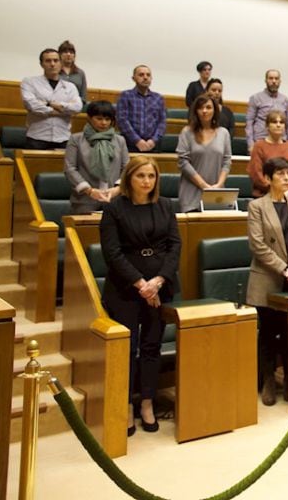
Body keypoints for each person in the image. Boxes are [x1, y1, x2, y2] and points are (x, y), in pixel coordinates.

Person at [99, 156, 180, 436]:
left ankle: (147, 402)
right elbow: (112, 253)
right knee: (128, 348)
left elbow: (174, 246)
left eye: (151, 176)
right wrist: (141, 284)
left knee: (151, 346)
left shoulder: (165, 205)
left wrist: (157, 282)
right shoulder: (114, 208)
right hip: (125, 289)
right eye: (140, 176)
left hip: (160, 285)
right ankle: (127, 406)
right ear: (128, 178)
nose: (147, 181)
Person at [246, 156, 288, 406]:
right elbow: (257, 245)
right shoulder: (257, 206)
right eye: (280, 174)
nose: (286, 178)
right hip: (269, 278)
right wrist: (284, 268)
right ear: (268, 178)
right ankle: (269, 380)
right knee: (269, 332)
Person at [65, 100, 129, 214]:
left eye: (107, 119)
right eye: (99, 118)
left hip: (114, 198)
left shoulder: (120, 140)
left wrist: (118, 189)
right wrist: (89, 191)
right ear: (89, 118)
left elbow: (126, 167)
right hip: (85, 200)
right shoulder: (76, 139)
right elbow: (70, 168)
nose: (104, 123)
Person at [176, 94, 231, 212]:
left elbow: (226, 162)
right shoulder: (187, 132)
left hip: (216, 193)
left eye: (208, 107)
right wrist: (204, 186)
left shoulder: (224, 133)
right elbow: (183, 162)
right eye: (201, 108)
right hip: (191, 194)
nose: (204, 111)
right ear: (196, 110)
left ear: (214, 110)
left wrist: (218, 185)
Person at [21, 48, 83, 149]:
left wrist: (49, 104)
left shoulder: (70, 86)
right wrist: (64, 110)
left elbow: (77, 108)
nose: (52, 64)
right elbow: (32, 106)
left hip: (63, 138)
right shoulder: (29, 82)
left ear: (61, 63)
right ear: (42, 64)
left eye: (56, 60)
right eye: (48, 61)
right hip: (37, 138)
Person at [248, 110, 288, 198]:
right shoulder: (259, 146)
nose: (278, 125)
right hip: (265, 196)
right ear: (267, 126)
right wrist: (274, 191)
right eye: (274, 122)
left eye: (281, 122)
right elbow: (256, 173)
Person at [116, 65, 166, 153]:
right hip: (130, 144)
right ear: (133, 78)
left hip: (153, 145)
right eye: (141, 75)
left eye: (148, 75)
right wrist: (137, 141)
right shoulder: (126, 95)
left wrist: (153, 141)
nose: (145, 77)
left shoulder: (158, 98)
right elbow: (122, 120)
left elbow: (162, 122)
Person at [247, 69, 288, 144]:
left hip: (281, 142)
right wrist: (250, 144)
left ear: (280, 81)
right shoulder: (255, 98)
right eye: (271, 78)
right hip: (260, 140)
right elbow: (249, 122)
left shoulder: (285, 100)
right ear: (266, 80)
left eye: (276, 78)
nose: (274, 81)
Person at [57, 39, 88, 104]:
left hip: (75, 107)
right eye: (65, 52)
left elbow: (83, 96)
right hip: (57, 107)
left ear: (74, 55)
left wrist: (74, 103)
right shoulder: (54, 71)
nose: (68, 54)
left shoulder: (80, 73)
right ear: (59, 55)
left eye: (71, 52)